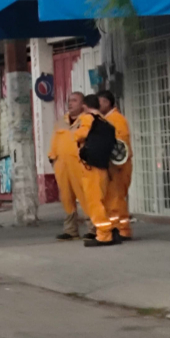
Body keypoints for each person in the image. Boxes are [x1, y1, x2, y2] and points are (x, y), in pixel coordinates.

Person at [72, 91, 117, 247]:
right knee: (103, 201)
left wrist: (74, 134)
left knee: (94, 203)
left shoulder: (87, 118)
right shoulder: (105, 122)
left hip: (90, 167)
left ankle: (104, 235)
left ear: (85, 106)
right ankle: (110, 230)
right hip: (103, 166)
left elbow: (81, 135)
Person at [98, 90, 134, 240]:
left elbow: (120, 143)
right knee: (113, 198)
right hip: (114, 165)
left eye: (99, 103)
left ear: (107, 102)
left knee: (116, 198)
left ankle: (121, 229)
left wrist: (115, 162)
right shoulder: (108, 119)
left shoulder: (115, 119)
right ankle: (118, 228)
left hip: (118, 165)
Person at [47, 98, 84, 240]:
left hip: (79, 164)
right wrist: (52, 157)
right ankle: (70, 230)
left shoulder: (86, 121)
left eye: (75, 100)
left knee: (85, 196)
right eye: (69, 100)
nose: (70, 103)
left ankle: (94, 228)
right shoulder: (61, 122)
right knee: (66, 197)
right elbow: (54, 141)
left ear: (83, 104)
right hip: (62, 165)